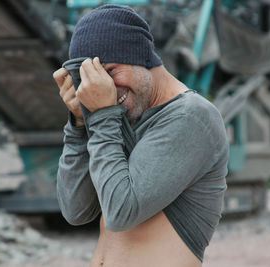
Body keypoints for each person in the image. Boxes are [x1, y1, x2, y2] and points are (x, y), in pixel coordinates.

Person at [53, 4, 228, 267]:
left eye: (110, 72)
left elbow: (121, 212)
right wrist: (79, 124)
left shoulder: (191, 117)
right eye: (91, 79)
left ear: (141, 56)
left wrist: (101, 115)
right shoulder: (118, 117)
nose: (105, 87)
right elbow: (75, 211)